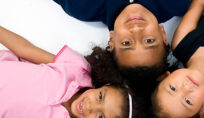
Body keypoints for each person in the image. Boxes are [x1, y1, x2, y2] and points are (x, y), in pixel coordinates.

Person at [0, 26, 145, 118]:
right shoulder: (77, 69)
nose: (90, 106)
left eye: (100, 117)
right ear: (105, 85)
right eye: (100, 97)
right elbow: (24, 49)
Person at [52, 0, 190, 87]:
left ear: (112, 40)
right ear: (163, 34)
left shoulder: (82, 5)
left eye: (127, 43)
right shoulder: (178, 2)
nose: (136, 30)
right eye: (149, 40)